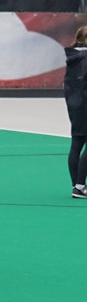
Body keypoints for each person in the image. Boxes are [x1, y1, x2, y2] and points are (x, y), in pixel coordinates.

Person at [66, 26, 87, 198]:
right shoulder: (86, 57)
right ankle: (80, 186)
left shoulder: (72, 56)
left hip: (75, 104)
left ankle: (76, 184)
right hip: (85, 103)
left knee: (77, 143)